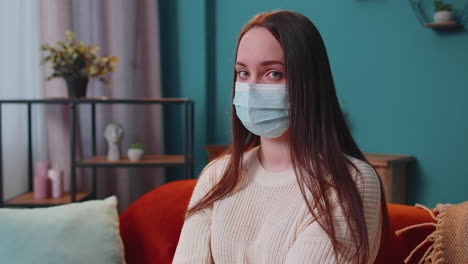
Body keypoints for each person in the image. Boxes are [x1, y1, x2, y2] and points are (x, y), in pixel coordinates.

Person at [173, 10, 389, 264]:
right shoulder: (218, 175)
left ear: (308, 82)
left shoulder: (350, 182)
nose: (252, 88)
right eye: (243, 73)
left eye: (273, 73)